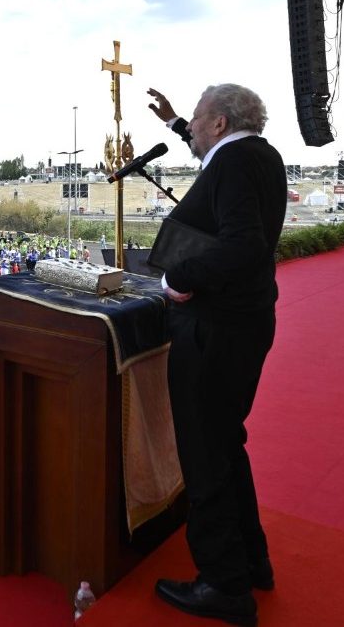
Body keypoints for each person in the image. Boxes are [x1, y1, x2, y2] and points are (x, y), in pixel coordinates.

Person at [146, 84, 285, 625]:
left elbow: (242, 244)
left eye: (199, 120)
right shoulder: (262, 156)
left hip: (214, 328)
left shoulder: (230, 164)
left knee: (205, 456)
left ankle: (224, 585)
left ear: (221, 123)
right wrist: (176, 121)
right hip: (246, 322)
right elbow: (208, 150)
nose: (194, 130)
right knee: (227, 445)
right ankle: (252, 562)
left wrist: (178, 276)